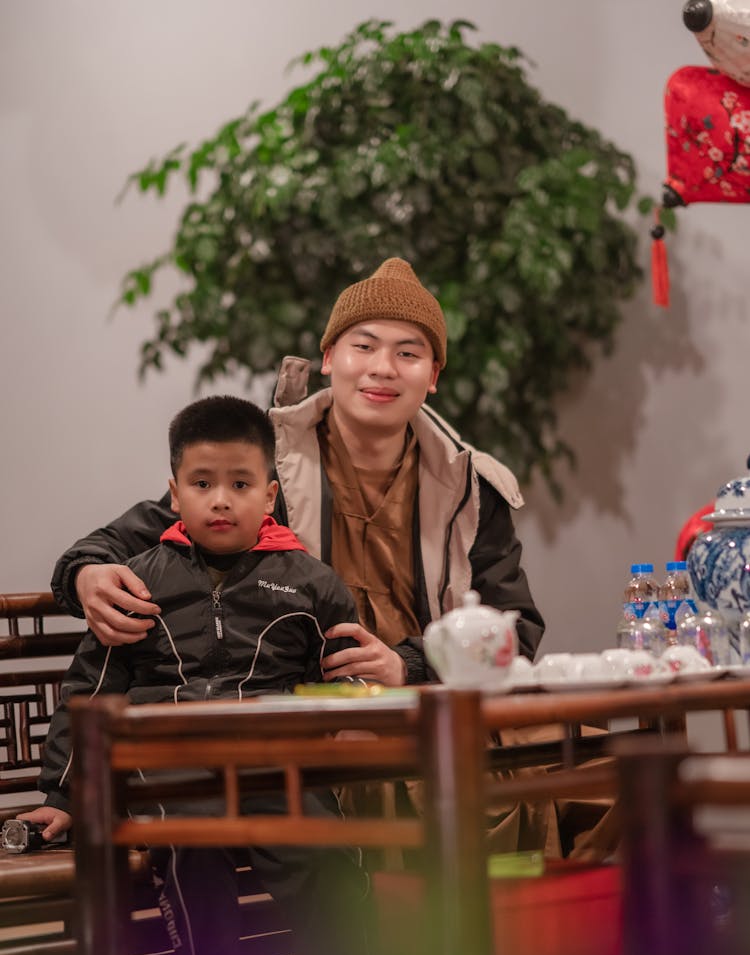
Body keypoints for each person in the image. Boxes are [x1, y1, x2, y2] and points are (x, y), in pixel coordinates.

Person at [51, 258, 544, 681]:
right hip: (306, 714)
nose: (384, 368)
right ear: (330, 358)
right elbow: (129, 538)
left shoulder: (470, 487)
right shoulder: (271, 464)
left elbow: (514, 629)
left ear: (433, 375)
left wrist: (409, 666)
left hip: (434, 712)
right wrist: (87, 575)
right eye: (364, 346)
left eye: (409, 353)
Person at [24, 395, 370, 955]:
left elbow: (348, 671)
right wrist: (62, 793)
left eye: (240, 483)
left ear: (269, 494)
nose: (220, 499)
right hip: (170, 772)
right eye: (202, 482)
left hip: (275, 768)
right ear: (174, 491)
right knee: (190, 843)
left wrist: (357, 708)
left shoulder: (310, 584)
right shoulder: (140, 580)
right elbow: (91, 691)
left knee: (321, 843)